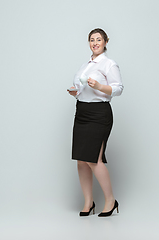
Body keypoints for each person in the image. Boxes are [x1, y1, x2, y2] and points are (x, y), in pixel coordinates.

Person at [67, 28, 124, 217]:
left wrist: (99, 86)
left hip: (99, 114)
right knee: (81, 161)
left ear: (106, 42)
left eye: (99, 39)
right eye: (92, 40)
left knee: (94, 160)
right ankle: (88, 202)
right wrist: (77, 91)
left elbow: (118, 88)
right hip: (81, 112)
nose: (95, 42)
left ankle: (110, 200)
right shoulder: (85, 65)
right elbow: (82, 88)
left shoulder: (109, 64)